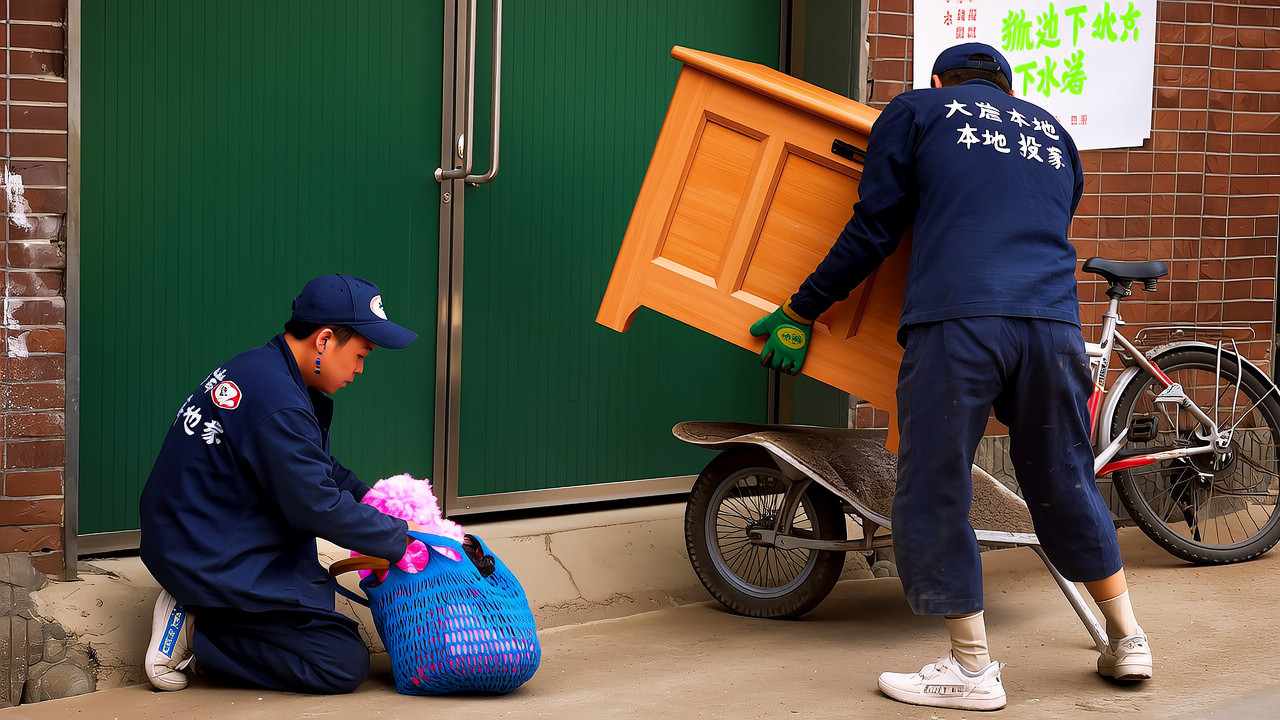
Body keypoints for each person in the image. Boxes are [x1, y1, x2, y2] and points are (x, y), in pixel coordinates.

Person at [750, 42, 1151, 711]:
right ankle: (1129, 637)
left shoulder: (916, 111)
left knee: (934, 486)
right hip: (1053, 326)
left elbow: (875, 227)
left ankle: (971, 669)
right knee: (1065, 478)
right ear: (1009, 89)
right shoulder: (1052, 132)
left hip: (959, 320)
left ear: (939, 81)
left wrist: (802, 308)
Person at [139, 273, 422, 694]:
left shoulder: (265, 370)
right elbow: (316, 504)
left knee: (316, 605)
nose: (360, 368)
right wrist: (405, 539)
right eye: (361, 354)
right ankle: (196, 625)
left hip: (209, 532)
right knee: (340, 662)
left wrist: (375, 500)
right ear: (324, 340)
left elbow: (315, 466)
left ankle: (211, 609)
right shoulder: (278, 400)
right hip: (206, 551)